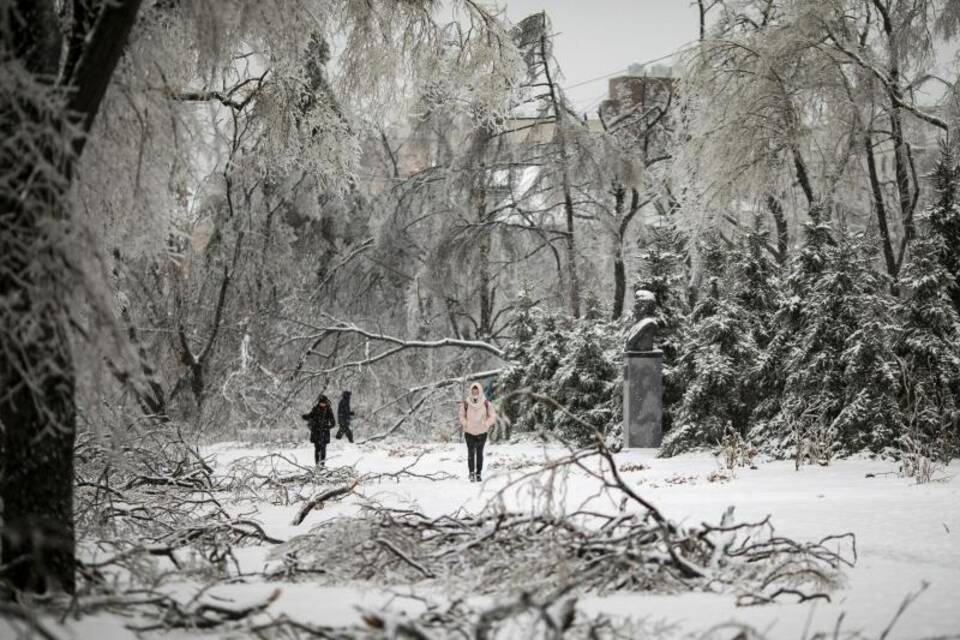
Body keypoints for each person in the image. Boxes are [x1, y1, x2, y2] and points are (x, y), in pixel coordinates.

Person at [458, 382, 496, 482]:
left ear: (480, 391)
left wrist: (486, 424)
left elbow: (492, 416)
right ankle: (471, 473)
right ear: (471, 391)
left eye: (477, 390)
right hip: (469, 432)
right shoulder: (466, 403)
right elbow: (461, 416)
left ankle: (478, 473)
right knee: (471, 453)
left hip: (482, 432)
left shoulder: (486, 403)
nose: (475, 392)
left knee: (479, 453)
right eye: (473, 390)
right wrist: (465, 423)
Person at [302, 393, 335, 466]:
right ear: (319, 402)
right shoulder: (315, 409)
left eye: (324, 403)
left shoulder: (329, 410)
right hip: (316, 432)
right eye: (321, 403)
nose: (322, 404)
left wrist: (327, 427)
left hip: (324, 433)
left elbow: (333, 423)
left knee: (323, 450)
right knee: (317, 450)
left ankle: (322, 465)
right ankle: (317, 465)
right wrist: (305, 417)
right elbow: (310, 416)